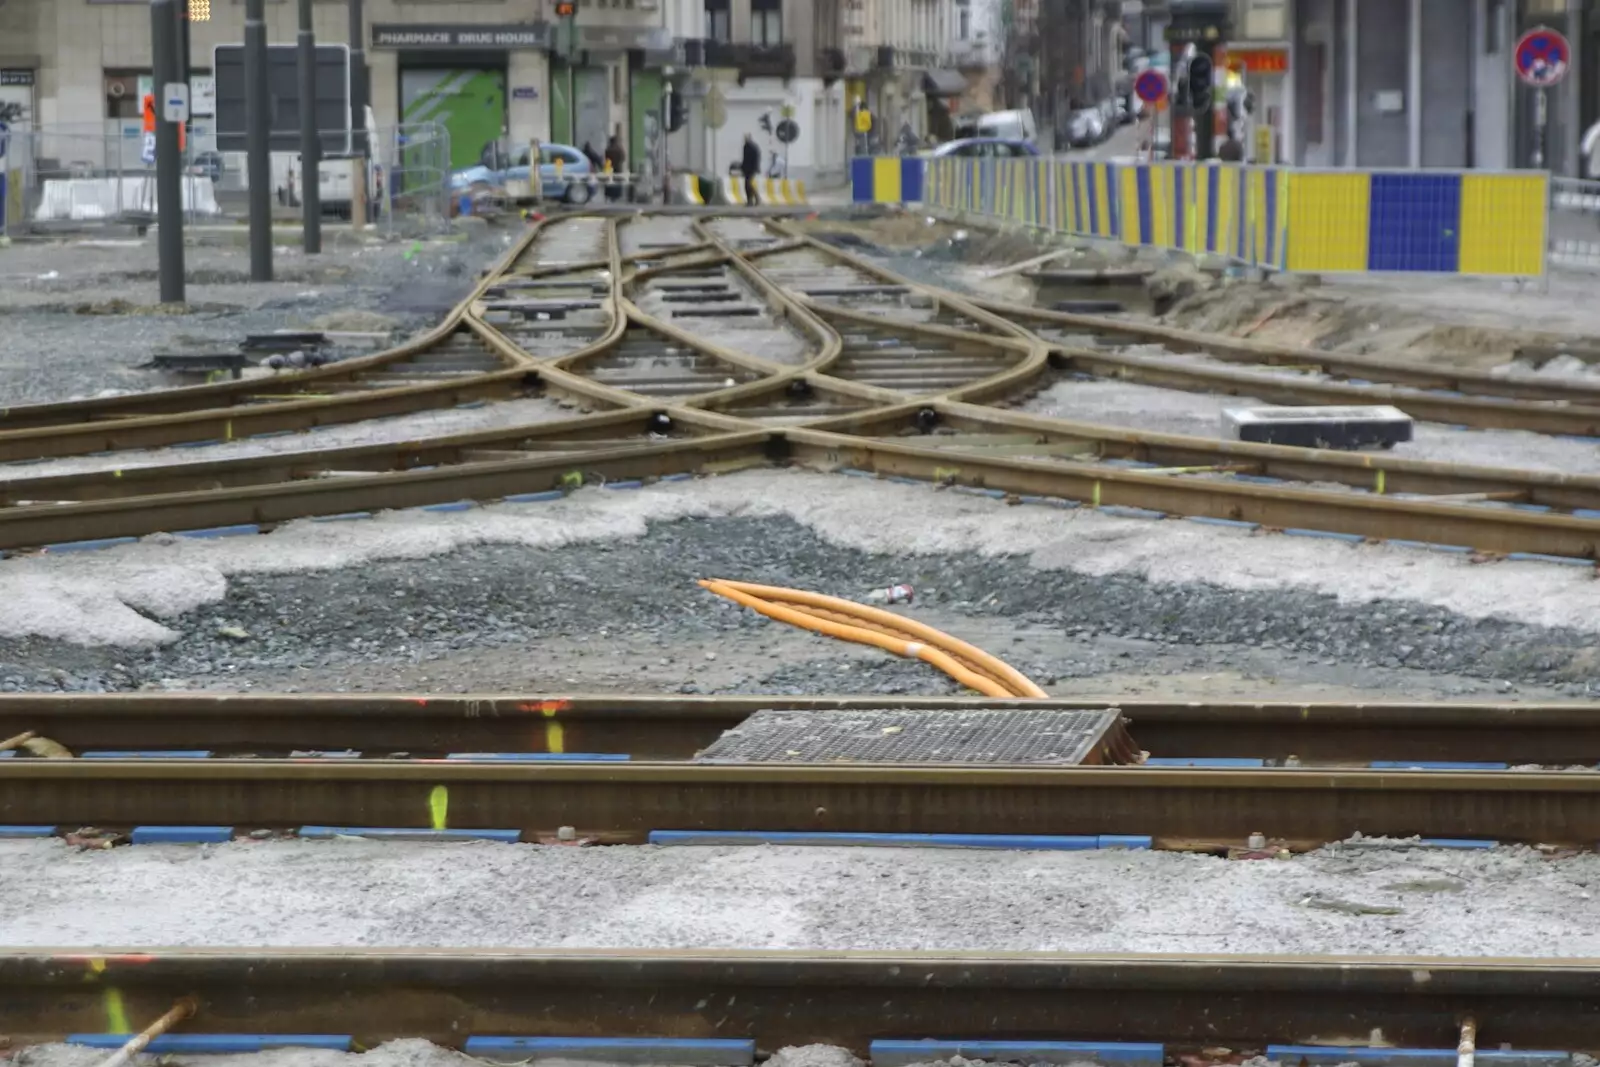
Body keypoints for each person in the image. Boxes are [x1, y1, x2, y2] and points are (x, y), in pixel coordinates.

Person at [740, 133, 761, 206]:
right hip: (750, 169)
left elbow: (748, 159)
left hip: (750, 169)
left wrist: (743, 167)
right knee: (747, 185)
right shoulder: (752, 147)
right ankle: (751, 200)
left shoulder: (749, 147)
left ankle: (755, 198)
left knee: (748, 185)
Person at [604, 133, 626, 202]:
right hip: (618, 168)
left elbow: (606, 158)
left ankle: (610, 195)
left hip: (609, 168)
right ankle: (617, 195)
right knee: (617, 181)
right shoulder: (619, 149)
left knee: (610, 182)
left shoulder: (608, 149)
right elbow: (623, 158)